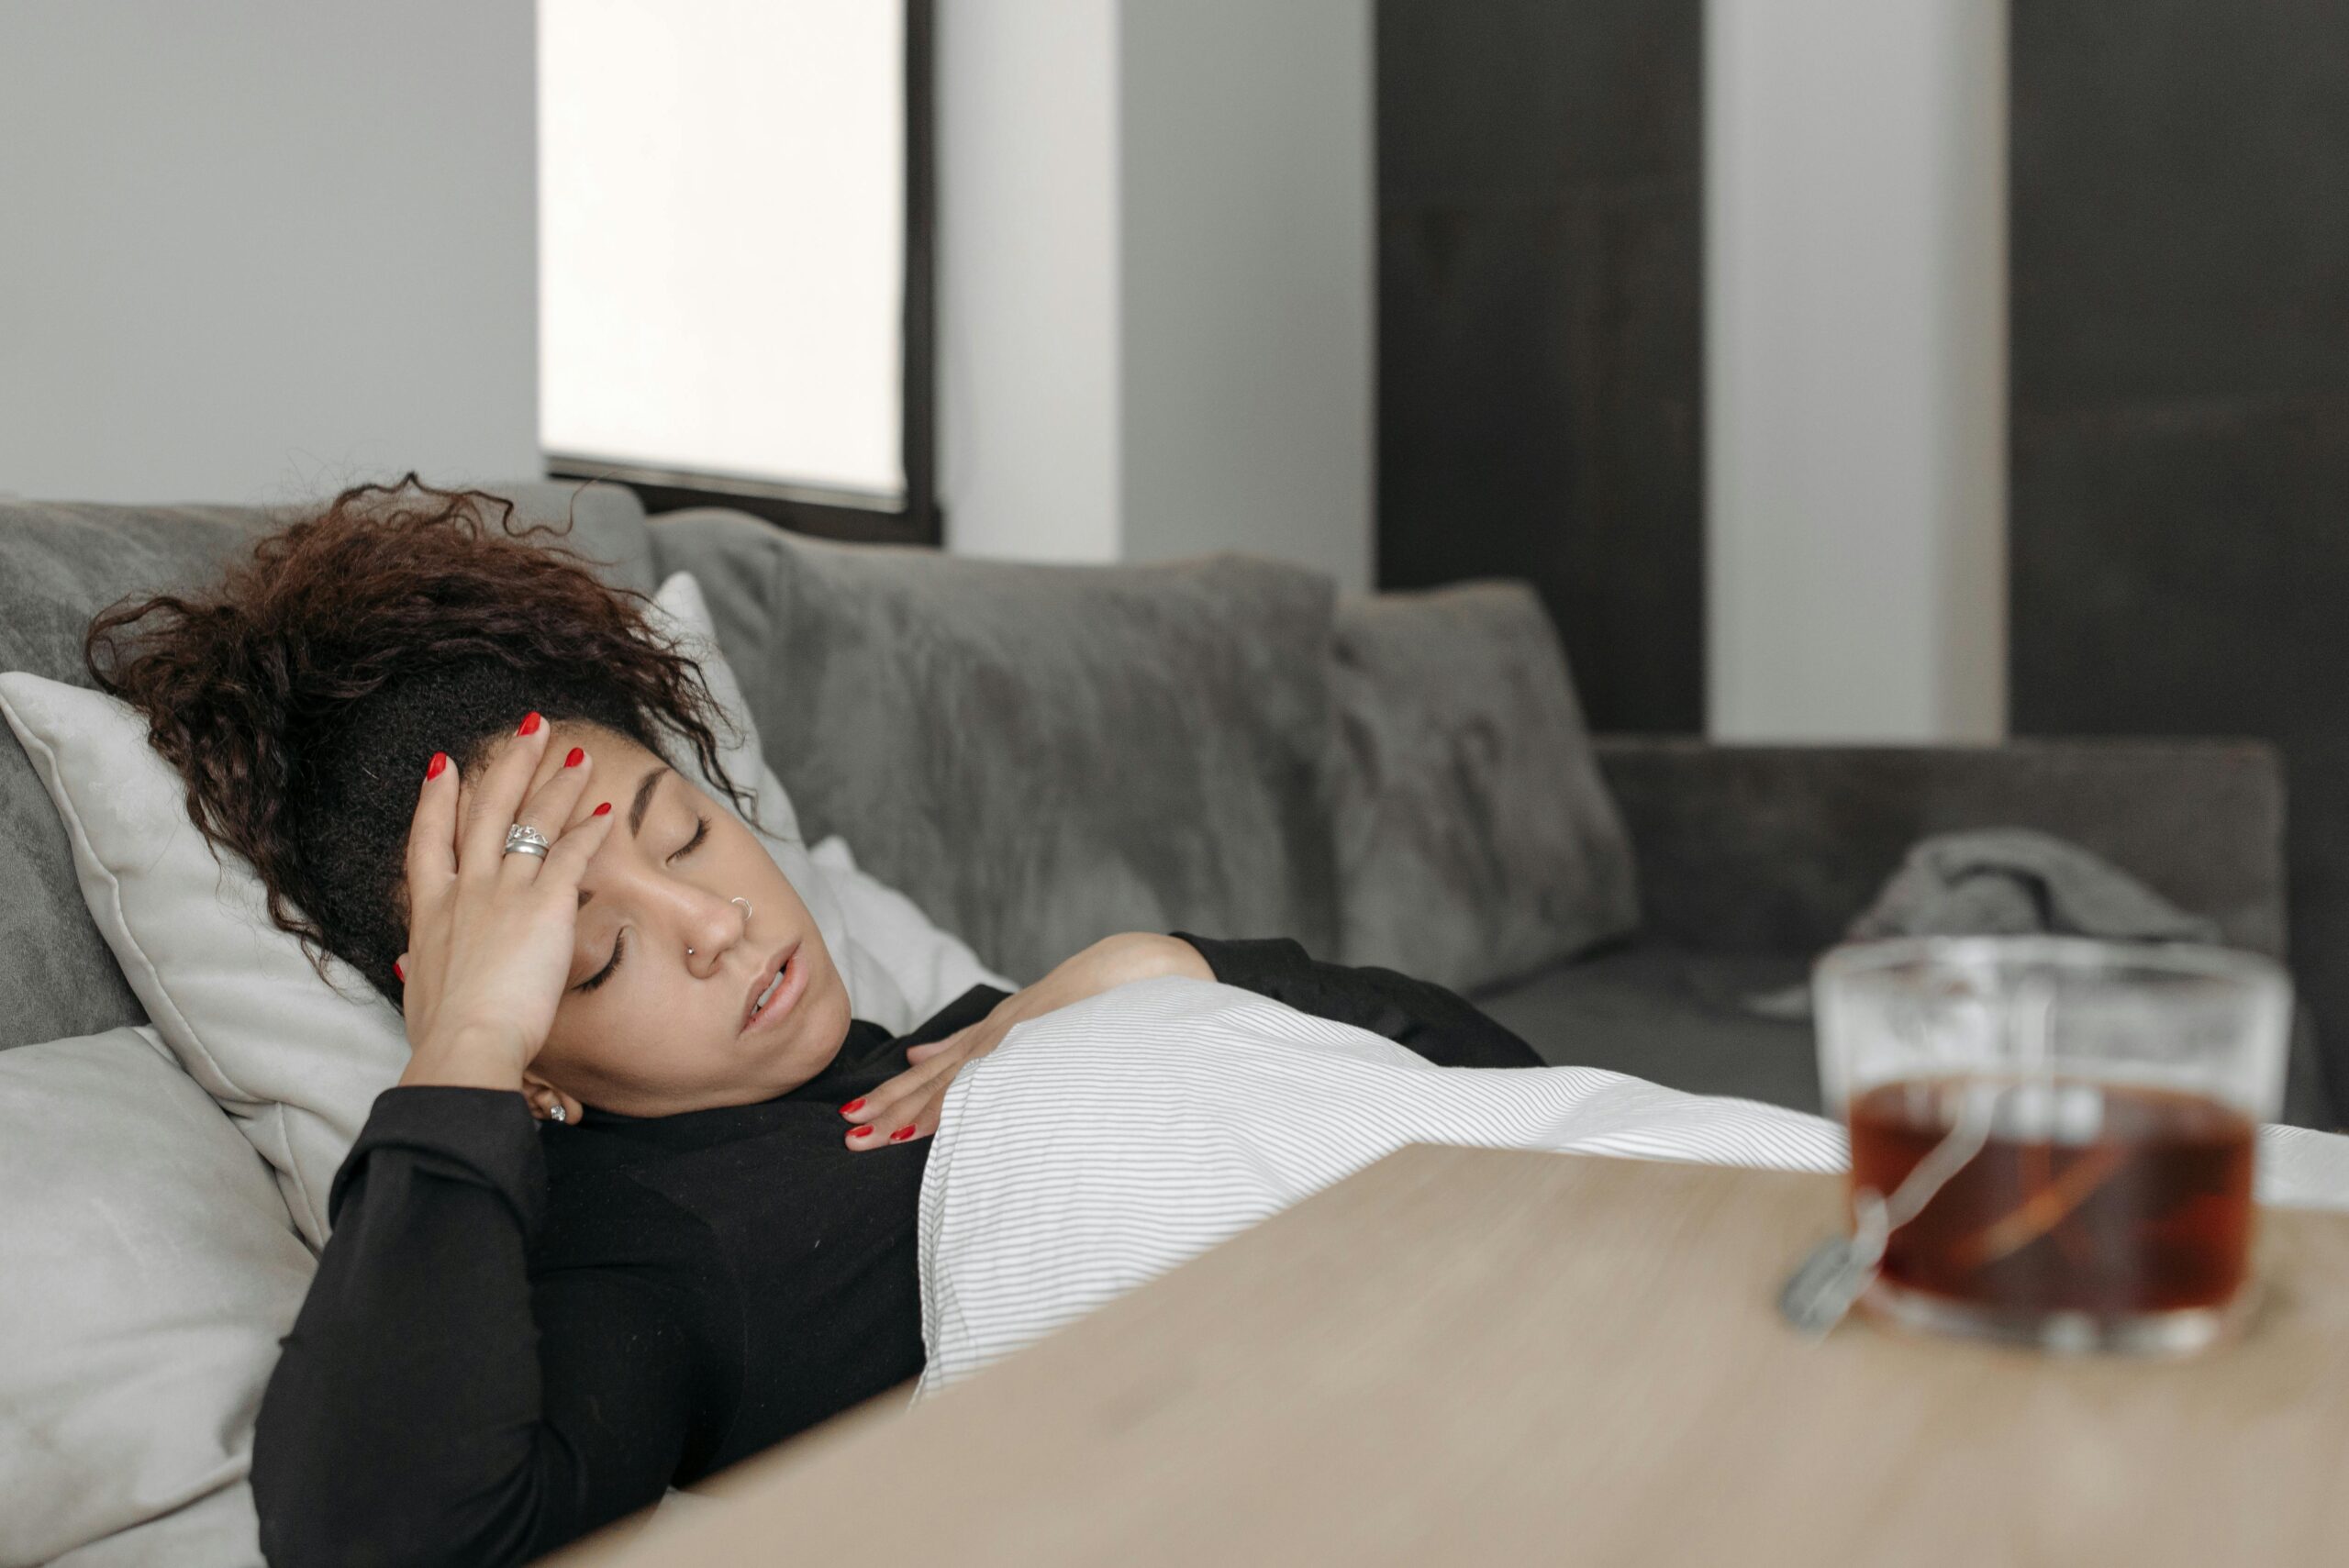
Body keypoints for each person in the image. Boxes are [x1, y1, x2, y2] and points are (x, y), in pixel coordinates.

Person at [85, 477, 1542, 1568]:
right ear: (532, 1046)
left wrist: (1160, 968)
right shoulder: (652, 1245)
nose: (720, 925)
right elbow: (372, 1532)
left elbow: (1501, 1085)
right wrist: (460, 1050)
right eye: (595, 960)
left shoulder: (983, 1026)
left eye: (687, 831)